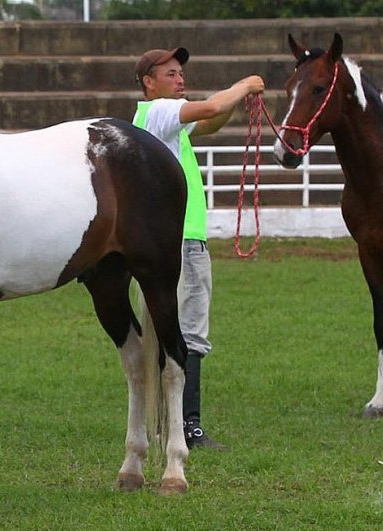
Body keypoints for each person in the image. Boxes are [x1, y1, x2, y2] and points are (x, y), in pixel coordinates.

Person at [132, 47, 262, 450]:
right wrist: (245, 85)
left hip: (179, 239)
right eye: (170, 73)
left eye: (181, 72)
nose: (179, 78)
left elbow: (211, 121)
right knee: (188, 331)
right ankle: (188, 425)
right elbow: (208, 109)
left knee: (173, 330)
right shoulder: (158, 113)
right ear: (148, 83)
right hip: (182, 241)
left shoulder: (165, 121)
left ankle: (166, 424)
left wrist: (234, 104)